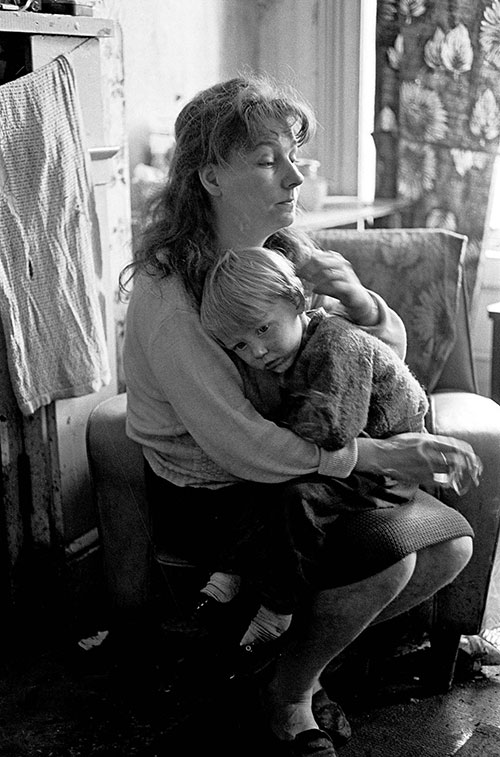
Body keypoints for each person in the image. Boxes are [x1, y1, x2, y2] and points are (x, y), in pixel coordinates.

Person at [121, 74, 478, 756]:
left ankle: (287, 668)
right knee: (391, 561)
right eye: (266, 159)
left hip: (296, 471)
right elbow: (242, 445)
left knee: (451, 545)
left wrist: (363, 302)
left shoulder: (284, 253)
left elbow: (369, 364)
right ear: (210, 178)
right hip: (221, 491)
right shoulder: (172, 294)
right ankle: (288, 699)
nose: (294, 176)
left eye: (293, 156)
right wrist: (375, 457)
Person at [196, 244, 437, 654]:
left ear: (298, 301)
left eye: (262, 329)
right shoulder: (295, 347)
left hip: (388, 470)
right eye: (239, 346)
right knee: (262, 474)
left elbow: (332, 432)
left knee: (295, 497)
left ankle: (277, 610)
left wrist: (273, 434)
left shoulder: (337, 344)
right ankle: (234, 566)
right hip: (357, 457)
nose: (256, 352)